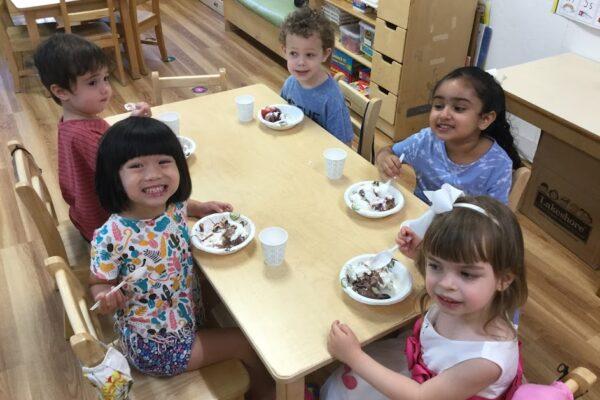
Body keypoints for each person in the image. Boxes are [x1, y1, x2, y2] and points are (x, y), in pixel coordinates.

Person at [90, 117, 273, 399]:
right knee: (247, 343)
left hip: (185, 310)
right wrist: (104, 294)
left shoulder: (169, 205)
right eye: (137, 166)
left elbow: (181, 204)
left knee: (237, 295)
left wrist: (200, 207)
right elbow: (98, 281)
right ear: (114, 176)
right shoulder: (111, 236)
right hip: (157, 347)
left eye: (164, 162)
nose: (153, 175)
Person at [322, 196, 528, 400]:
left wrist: (354, 357)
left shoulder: (485, 361)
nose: (446, 284)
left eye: (466, 274)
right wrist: (419, 256)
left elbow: (420, 396)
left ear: (504, 279)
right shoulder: (466, 303)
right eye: (436, 265)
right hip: (422, 372)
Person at [33, 33, 151, 241]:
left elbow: (109, 143)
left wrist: (131, 121)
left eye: (105, 78)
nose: (105, 88)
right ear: (61, 92)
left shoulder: (74, 122)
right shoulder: (84, 136)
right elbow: (129, 180)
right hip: (110, 230)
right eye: (92, 83)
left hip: (87, 217)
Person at [376, 67, 523, 205]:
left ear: (484, 119)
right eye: (438, 106)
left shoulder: (497, 165)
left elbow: (494, 219)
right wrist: (385, 159)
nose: (444, 114)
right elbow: (388, 151)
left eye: (458, 108)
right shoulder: (426, 140)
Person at [278, 6, 353, 145]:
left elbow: (345, 146)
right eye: (294, 53)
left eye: (310, 55)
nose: (301, 62)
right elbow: (281, 115)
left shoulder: (332, 99)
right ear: (284, 51)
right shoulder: (290, 83)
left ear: (325, 54)